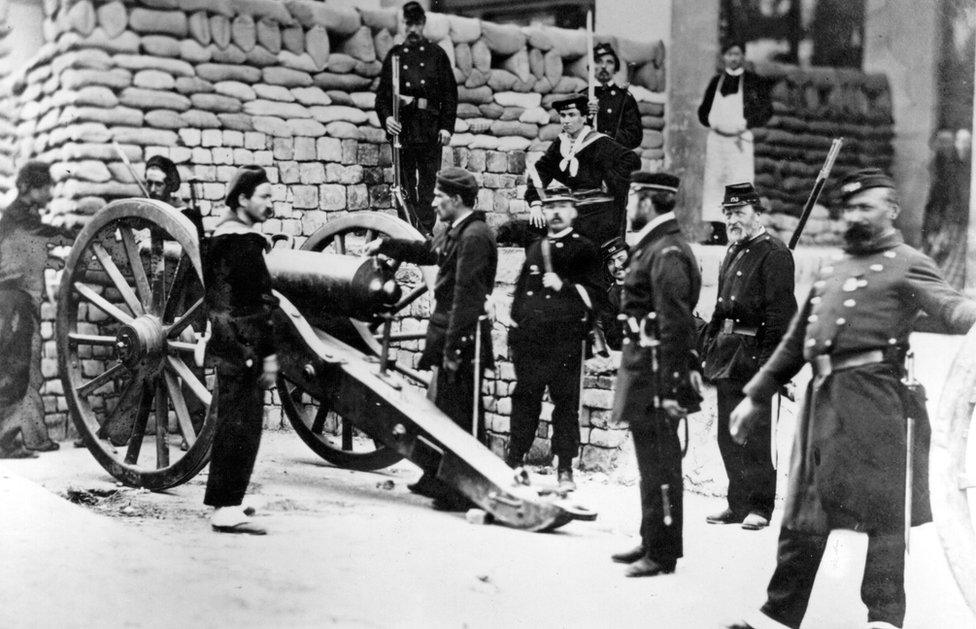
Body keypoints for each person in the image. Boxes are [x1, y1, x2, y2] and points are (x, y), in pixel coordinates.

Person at [726, 169, 976, 629]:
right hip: (822, 405)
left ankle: (883, 618)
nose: (856, 215)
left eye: (867, 207)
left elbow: (952, 306)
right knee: (804, 508)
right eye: (851, 207)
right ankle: (777, 616)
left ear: (892, 212)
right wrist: (754, 395)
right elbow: (796, 342)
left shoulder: (908, 261)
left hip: (876, 402)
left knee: (884, 513)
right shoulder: (831, 268)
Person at [365, 167, 496, 511]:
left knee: (461, 417)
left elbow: (467, 296)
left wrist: (453, 346)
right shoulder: (457, 230)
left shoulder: (475, 236)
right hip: (449, 332)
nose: (434, 202)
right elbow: (427, 250)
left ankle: (466, 489)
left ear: (456, 199)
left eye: (439, 196)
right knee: (443, 409)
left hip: (463, 337)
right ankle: (439, 478)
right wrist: (387, 243)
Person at [609, 172, 703, 577]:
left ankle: (662, 554)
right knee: (651, 463)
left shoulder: (666, 252)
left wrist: (670, 390)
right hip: (643, 368)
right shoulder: (655, 246)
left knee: (662, 465)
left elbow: (675, 325)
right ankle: (652, 538)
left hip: (655, 374)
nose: (628, 208)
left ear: (647, 202)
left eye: (632, 199)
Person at [701, 182, 796, 531]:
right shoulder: (732, 251)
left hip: (756, 353)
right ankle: (736, 503)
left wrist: (770, 367)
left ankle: (760, 506)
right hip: (728, 354)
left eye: (739, 212)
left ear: (757, 213)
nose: (732, 219)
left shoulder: (775, 253)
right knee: (728, 433)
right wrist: (709, 346)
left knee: (757, 435)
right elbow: (720, 308)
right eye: (728, 213)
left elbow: (780, 317)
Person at [505, 190, 606, 491]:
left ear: (574, 211)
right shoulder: (536, 248)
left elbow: (598, 296)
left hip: (566, 341)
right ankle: (515, 460)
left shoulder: (586, 249)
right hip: (532, 341)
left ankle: (564, 470)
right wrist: (515, 330)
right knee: (525, 400)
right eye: (550, 207)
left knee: (565, 406)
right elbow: (522, 292)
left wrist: (566, 286)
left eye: (562, 206)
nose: (556, 213)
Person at [203, 165, 280, 535]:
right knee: (241, 424)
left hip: (230, 341)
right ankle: (225, 507)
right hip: (244, 343)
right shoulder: (243, 244)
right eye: (264, 197)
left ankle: (228, 500)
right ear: (242, 200)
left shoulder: (224, 238)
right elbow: (257, 304)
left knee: (236, 421)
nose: (270, 203)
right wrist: (266, 353)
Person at [0, 161, 79, 457]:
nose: (49, 192)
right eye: (44, 187)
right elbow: (48, 234)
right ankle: (6, 443)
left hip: (23, 299)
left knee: (28, 370)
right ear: (28, 188)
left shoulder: (24, 215)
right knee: (13, 369)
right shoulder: (19, 216)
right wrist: (80, 235)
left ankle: (32, 437)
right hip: (13, 298)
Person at [376, 1, 458, 235]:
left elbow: (449, 94)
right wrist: (387, 119)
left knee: (429, 183)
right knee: (403, 184)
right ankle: (408, 230)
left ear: (423, 24)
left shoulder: (436, 54)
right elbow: (381, 97)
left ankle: (425, 230)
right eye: (407, 24)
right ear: (402, 25)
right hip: (404, 129)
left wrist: (446, 127)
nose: (412, 29)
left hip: (430, 127)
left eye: (416, 24)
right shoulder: (395, 56)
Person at [525, 94, 641, 246]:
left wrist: (605, 182)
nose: (566, 120)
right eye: (563, 115)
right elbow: (539, 172)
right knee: (533, 228)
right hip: (573, 209)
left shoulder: (600, 142)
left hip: (597, 213)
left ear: (584, 116)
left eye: (572, 115)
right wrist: (535, 203)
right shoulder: (561, 144)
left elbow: (632, 160)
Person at [698, 41, 772, 239]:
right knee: (714, 185)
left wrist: (748, 121)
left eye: (737, 54)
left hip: (739, 141)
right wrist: (712, 121)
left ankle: (741, 231)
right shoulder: (716, 81)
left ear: (743, 57)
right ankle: (717, 232)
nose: (733, 58)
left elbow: (767, 110)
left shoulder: (752, 81)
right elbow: (703, 111)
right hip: (717, 141)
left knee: (739, 184)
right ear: (723, 57)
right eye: (729, 54)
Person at [582, 42, 642, 149]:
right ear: (590, 67)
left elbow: (635, 136)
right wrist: (586, 116)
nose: (604, 66)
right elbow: (569, 132)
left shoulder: (625, 98)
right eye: (598, 61)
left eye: (609, 62)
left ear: (616, 69)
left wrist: (607, 136)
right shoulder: (582, 97)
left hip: (614, 157)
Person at [145, 155, 204, 240]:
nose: (152, 189)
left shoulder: (186, 214)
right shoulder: (140, 211)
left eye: (159, 184)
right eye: (149, 183)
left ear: (170, 185)